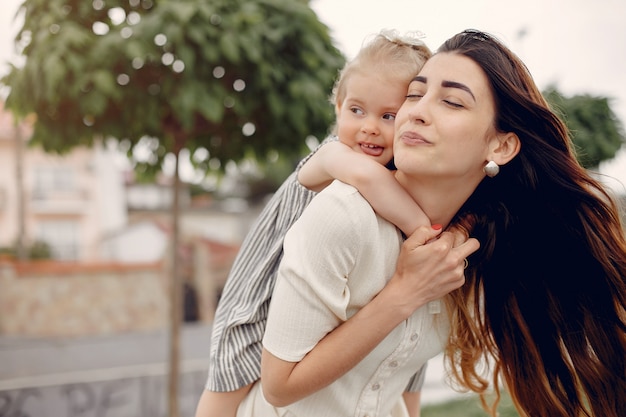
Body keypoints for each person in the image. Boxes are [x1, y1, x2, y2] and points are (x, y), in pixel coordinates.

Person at [242, 29, 626, 417]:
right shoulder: (344, 215)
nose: (417, 111)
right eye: (414, 94)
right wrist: (405, 293)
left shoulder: (472, 241)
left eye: (452, 102)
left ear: (501, 147)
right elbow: (279, 385)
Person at [194, 31, 433, 417]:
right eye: (357, 110)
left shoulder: (397, 176)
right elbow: (370, 181)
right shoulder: (333, 156)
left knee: (409, 342)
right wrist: (430, 235)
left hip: (316, 296)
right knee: (227, 384)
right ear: (338, 107)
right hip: (257, 297)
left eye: (387, 116)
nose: (370, 126)